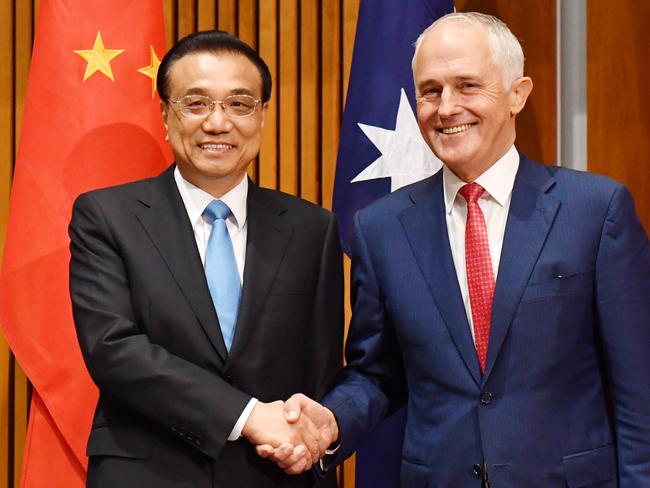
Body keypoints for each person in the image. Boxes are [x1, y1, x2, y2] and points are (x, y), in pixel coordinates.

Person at [262, 11, 650, 487]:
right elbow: (378, 373)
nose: (446, 107)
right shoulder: (381, 228)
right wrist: (333, 421)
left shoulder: (595, 210)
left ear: (517, 94)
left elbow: (639, 391)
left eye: (468, 86)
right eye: (430, 90)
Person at [69, 30, 343, 487]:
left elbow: (321, 371)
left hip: (275, 474)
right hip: (149, 474)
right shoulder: (106, 217)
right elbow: (113, 349)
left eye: (239, 104)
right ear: (164, 113)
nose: (218, 123)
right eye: (196, 104)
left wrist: (306, 442)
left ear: (262, 116)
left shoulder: (312, 228)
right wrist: (247, 415)